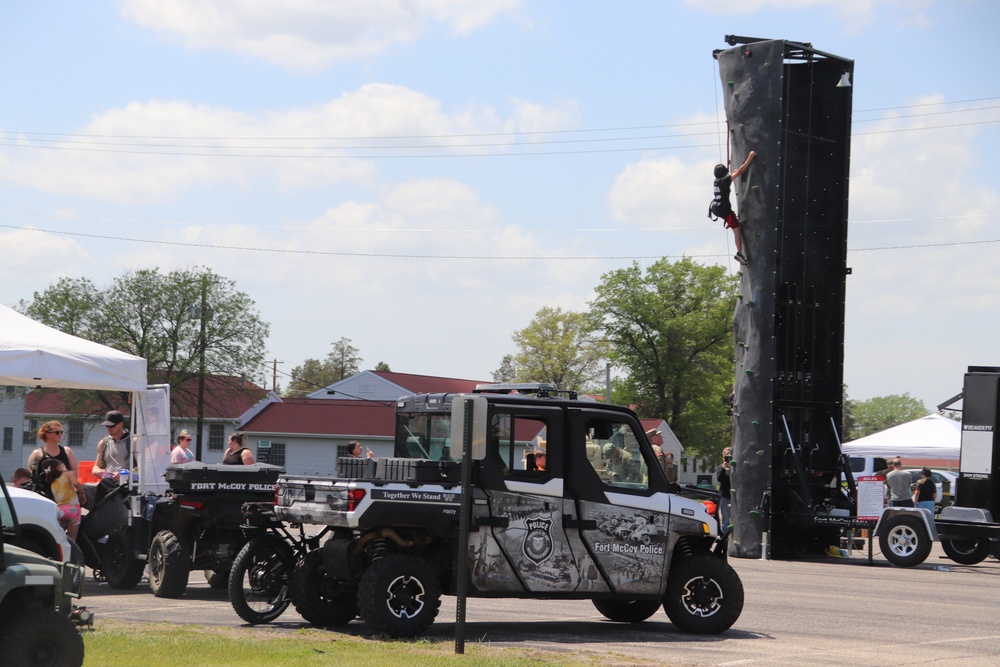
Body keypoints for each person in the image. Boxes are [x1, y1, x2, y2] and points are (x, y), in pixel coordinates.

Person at [709, 150, 757, 266]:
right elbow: (740, 171)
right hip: (724, 210)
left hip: (716, 208)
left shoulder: (716, 182)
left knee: (734, 224)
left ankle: (739, 252)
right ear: (725, 174)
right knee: (737, 230)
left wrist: (731, 174)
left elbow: (728, 179)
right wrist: (750, 157)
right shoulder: (725, 180)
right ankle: (739, 254)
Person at [27, 421, 87, 506]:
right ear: (47, 434)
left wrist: (59, 473)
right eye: (57, 432)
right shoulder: (38, 454)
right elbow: (32, 476)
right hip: (46, 498)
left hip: (65, 498)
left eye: (61, 432)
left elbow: (75, 472)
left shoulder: (67, 451)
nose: (60, 434)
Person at [39, 459, 82, 540]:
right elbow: (76, 483)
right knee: (72, 540)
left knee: (60, 538)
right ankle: (72, 551)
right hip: (73, 508)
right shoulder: (68, 474)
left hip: (60, 511)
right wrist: (82, 493)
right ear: (59, 467)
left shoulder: (53, 483)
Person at [92, 410, 133, 478]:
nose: (109, 429)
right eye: (107, 426)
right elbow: (96, 467)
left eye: (112, 426)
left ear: (121, 424)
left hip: (127, 484)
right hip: (108, 482)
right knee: (85, 487)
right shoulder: (103, 443)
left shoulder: (132, 442)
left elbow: (141, 468)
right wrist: (98, 471)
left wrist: (124, 474)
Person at [717, 447, 733, 529]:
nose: (728, 455)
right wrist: (723, 469)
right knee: (726, 518)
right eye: (726, 454)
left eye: (730, 454)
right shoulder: (721, 467)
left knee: (735, 519)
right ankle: (725, 538)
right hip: (725, 496)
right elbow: (719, 479)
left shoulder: (736, 467)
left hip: (735, 496)